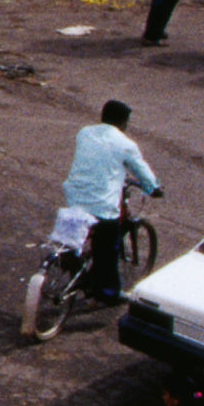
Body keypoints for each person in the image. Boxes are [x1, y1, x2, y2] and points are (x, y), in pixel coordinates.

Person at [60, 100, 163, 302]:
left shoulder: (85, 132)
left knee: (70, 240)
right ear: (123, 122)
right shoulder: (126, 144)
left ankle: (70, 265)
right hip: (101, 205)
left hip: (74, 196)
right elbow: (141, 170)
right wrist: (154, 188)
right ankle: (108, 293)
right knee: (108, 250)